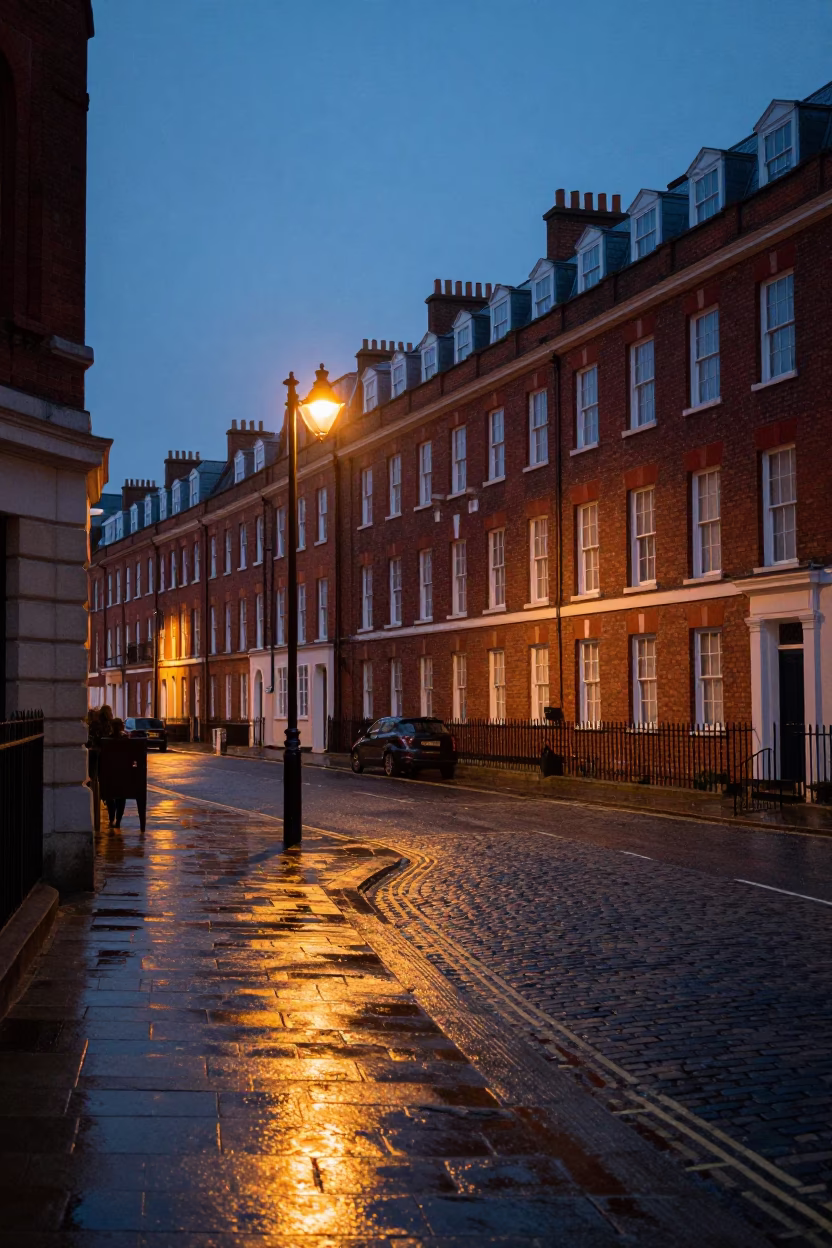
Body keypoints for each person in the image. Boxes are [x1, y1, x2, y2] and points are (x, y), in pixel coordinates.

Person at [103, 717, 128, 827]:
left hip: (111, 773)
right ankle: (118, 819)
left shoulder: (107, 740)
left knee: (110, 796)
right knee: (121, 797)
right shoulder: (126, 740)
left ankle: (112, 818)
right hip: (122, 773)